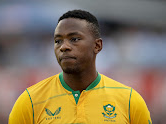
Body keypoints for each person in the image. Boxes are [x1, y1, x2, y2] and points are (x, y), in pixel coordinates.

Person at [9, 10, 152, 124]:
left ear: (97, 46)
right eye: (58, 41)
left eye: (74, 39)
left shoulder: (129, 101)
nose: (64, 47)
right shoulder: (30, 101)